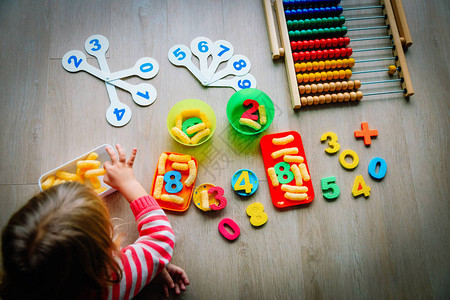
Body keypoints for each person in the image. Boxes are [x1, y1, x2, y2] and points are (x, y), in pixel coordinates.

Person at [1, 144, 189, 299]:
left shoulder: (22, 284)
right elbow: (160, 240)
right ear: (103, 258)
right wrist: (128, 184)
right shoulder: (117, 279)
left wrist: (151, 270)